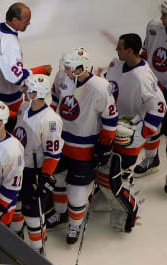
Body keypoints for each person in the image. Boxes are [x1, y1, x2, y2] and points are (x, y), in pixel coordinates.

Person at [48, 48, 118, 244]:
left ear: (81, 67)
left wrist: (105, 145)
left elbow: (110, 118)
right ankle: (61, 213)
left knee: (76, 192)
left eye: (69, 67)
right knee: (58, 180)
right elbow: (55, 101)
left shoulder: (99, 87)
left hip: (84, 147)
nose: (65, 70)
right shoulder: (63, 76)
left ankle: (74, 225)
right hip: (61, 143)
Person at [10, 74, 63, 254]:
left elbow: (53, 153)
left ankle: (38, 250)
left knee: (33, 216)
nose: (24, 91)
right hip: (16, 168)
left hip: (34, 173)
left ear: (36, 93)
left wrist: (45, 176)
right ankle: (15, 236)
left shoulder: (50, 120)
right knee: (15, 206)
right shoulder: (24, 107)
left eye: (28, 89)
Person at [0, 2, 52, 119]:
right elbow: (16, 77)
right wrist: (41, 70)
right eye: (26, 20)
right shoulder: (11, 43)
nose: (29, 23)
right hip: (3, 100)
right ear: (15, 20)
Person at [104, 34, 165, 173]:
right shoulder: (116, 64)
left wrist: (144, 132)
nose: (116, 49)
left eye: (119, 48)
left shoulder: (143, 77)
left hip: (131, 127)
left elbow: (159, 106)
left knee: (122, 165)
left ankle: (151, 158)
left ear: (129, 51)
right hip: (115, 120)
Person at [134, 3, 167, 177]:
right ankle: (152, 158)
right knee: (153, 122)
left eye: (165, 15)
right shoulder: (154, 25)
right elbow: (146, 52)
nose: (162, 18)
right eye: (162, 14)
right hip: (154, 86)